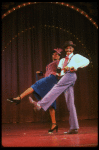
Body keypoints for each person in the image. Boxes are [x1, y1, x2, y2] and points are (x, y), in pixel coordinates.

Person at [30, 41, 90, 134]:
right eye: (67, 48)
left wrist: (75, 66)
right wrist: (52, 74)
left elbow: (87, 61)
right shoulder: (62, 60)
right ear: (65, 49)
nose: (68, 50)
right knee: (70, 102)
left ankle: (40, 105)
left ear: (73, 49)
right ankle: (74, 128)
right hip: (63, 77)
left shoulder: (76, 56)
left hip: (70, 75)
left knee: (56, 89)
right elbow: (59, 71)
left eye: (70, 48)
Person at [7, 48, 63, 132]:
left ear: (59, 56)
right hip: (49, 79)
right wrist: (42, 74)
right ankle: (54, 124)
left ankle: (19, 98)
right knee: (51, 102)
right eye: (54, 54)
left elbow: (60, 71)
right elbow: (49, 72)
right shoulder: (51, 64)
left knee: (36, 85)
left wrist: (59, 73)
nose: (55, 55)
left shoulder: (59, 62)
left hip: (52, 79)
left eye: (57, 54)